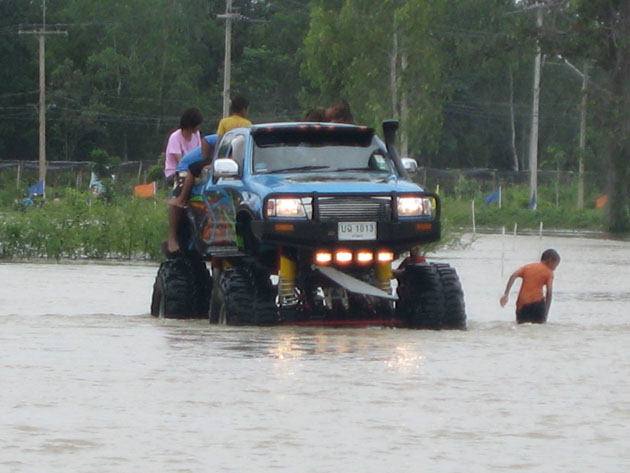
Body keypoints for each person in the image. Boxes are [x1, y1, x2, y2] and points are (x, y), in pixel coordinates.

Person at [166, 134, 219, 255]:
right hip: (185, 167)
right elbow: (206, 140)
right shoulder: (224, 136)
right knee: (177, 198)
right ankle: (172, 238)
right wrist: (207, 158)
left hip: (207, 166)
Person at [500, 249, 561, 324]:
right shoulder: (549, 272)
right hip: (538, 305)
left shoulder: (527, 267)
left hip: (522, 305)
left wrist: (506, 294)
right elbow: (549, 292)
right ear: (550, 260)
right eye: (555, 265)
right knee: (538, 328)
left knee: (522, 327)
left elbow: (513, 276)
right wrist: (546, 311)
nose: (555, 268)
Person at [164, 108, 203, 186]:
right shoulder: (175, 137)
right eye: (197, 125)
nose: (199, 127)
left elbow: (199, 154)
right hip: (175, 172)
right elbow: (181, 162)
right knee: (191, 180)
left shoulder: (197, 135)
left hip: (192, 171)